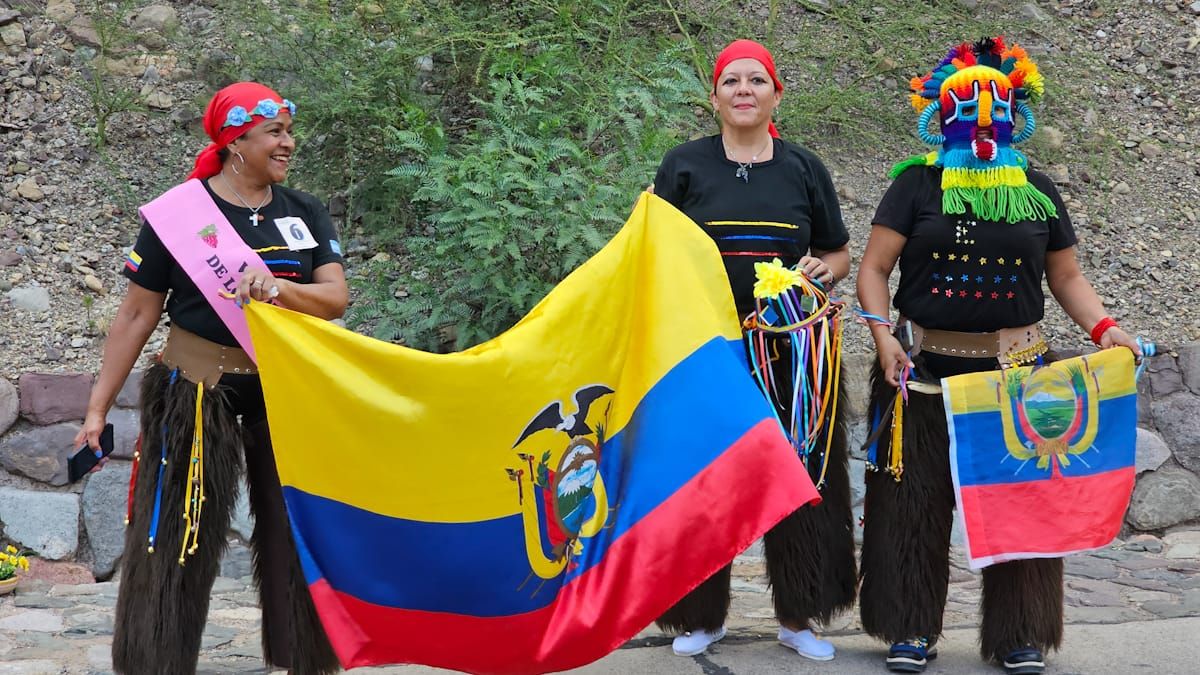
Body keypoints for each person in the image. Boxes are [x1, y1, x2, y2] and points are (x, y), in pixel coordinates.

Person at [855, 38, 1140, 675]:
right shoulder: (915, 184)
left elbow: (1066, 278)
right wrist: (883, 337)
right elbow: (873, 268)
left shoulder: (1037, 191)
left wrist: (1106, 330)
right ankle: (910, 629)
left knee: (1022, 505)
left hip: (1017, 376)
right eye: (968, 103)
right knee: (913, 505)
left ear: (1015, 111)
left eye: (996, 104)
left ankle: (1020, 634)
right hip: (921, 372)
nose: (983, 118)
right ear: (941, 109)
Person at [73, 82, 349, 674]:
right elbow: (136, 314)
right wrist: (97, 408)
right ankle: (155, 662)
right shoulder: (181, 214)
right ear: (235, 141)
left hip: (286, 391)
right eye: (274, 133)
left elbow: (334, 300)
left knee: (295, 529)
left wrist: (279, 289)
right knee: (176, 533)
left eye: (288, 132)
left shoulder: (304, 212)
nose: (287, 144)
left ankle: (304, 659)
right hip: (195, 391)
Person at [649, 39, 856, 661]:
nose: (744, 90)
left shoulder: (803, 168)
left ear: (775, 95)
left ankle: (800, 616)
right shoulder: (683, 165)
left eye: (757, 81)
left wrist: (825, 270)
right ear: (713, 97)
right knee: (703, 479)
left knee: (800, 475)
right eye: (732, 81)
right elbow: (652, 256)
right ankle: (698, 613)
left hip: (792, 353)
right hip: (706, 352)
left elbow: (840, 252)